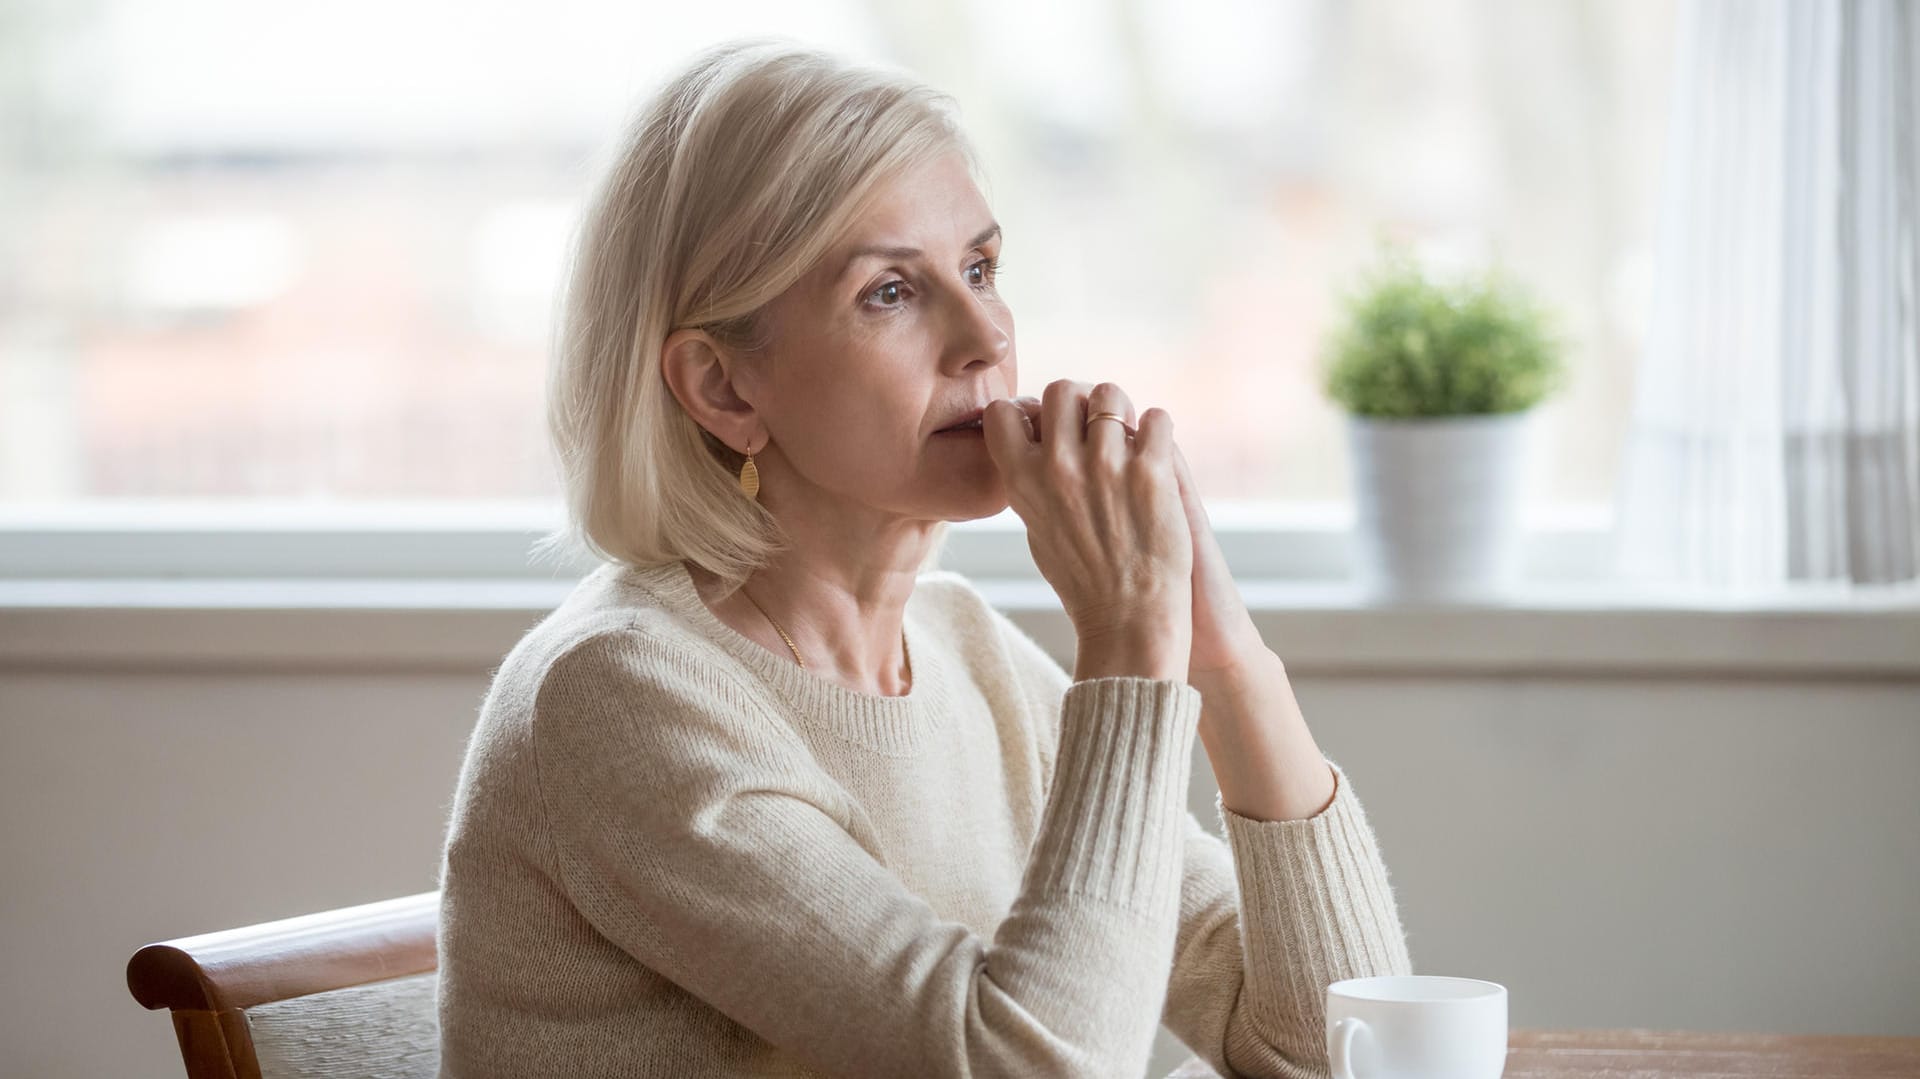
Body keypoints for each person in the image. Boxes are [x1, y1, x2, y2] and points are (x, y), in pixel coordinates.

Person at [436, 37, 1412, 1079]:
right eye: (891, 292)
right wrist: (1128, 646)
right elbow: (1031, 1067)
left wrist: (1216, 648)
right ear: (724, 389)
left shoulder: (967, 656)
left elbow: (1343, 1051)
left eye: (982, 268)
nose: (986, 334)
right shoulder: (620, 694)